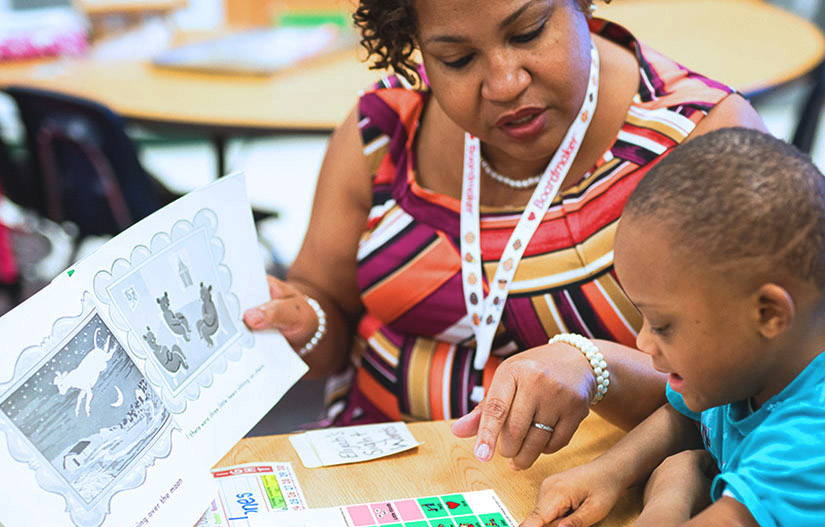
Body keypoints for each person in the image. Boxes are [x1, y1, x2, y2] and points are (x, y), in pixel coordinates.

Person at [243, 0, 765, 471]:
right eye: (456, 60)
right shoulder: (385, 128)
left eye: (529, 32)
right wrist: (299, 321)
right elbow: (326, 322)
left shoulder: (697, 141)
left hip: (585, 497)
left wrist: (596, 366)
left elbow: (763, 396)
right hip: (373, 471)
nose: (504, 83)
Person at [510, 128, 825, 527]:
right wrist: (610, 471)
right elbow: (684, 417)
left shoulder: (812, 440)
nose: (642, 342)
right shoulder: (750, 364)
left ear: (768, 313)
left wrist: (674, 482)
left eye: (662, 324)